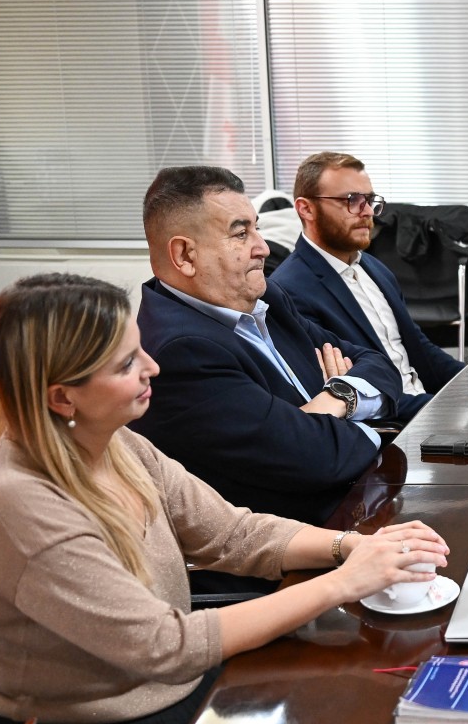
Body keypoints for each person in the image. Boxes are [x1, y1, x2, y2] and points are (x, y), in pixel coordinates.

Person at [0, 274, 448, 724]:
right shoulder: (23, 504)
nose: (153, 367)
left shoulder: (115, 443)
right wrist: (343, 582)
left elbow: (230, 534)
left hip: (163, 688)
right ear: (62, 399)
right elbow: (166, 647)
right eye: (127, 364)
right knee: (353, 720)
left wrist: (352, 546)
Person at [131, 165, 408, 525]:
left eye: (256, 228)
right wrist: (354, 420)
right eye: (240, 233)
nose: (262, 248)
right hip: (302, 537)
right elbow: (317, 459)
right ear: (185, 256)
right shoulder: (180, 353)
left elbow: (378, 364)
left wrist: (338, 397)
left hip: (363, 495)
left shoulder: (265, 297)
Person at [268, 151, 463, 429]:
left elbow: (419, 350)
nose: (368, 212)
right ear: (306, 209)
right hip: (392, 427)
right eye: (352, 200)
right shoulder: (289, 291)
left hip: (426, 405)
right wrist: (447, 407)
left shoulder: (373, 267)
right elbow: (356, 392)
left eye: (369, 200)